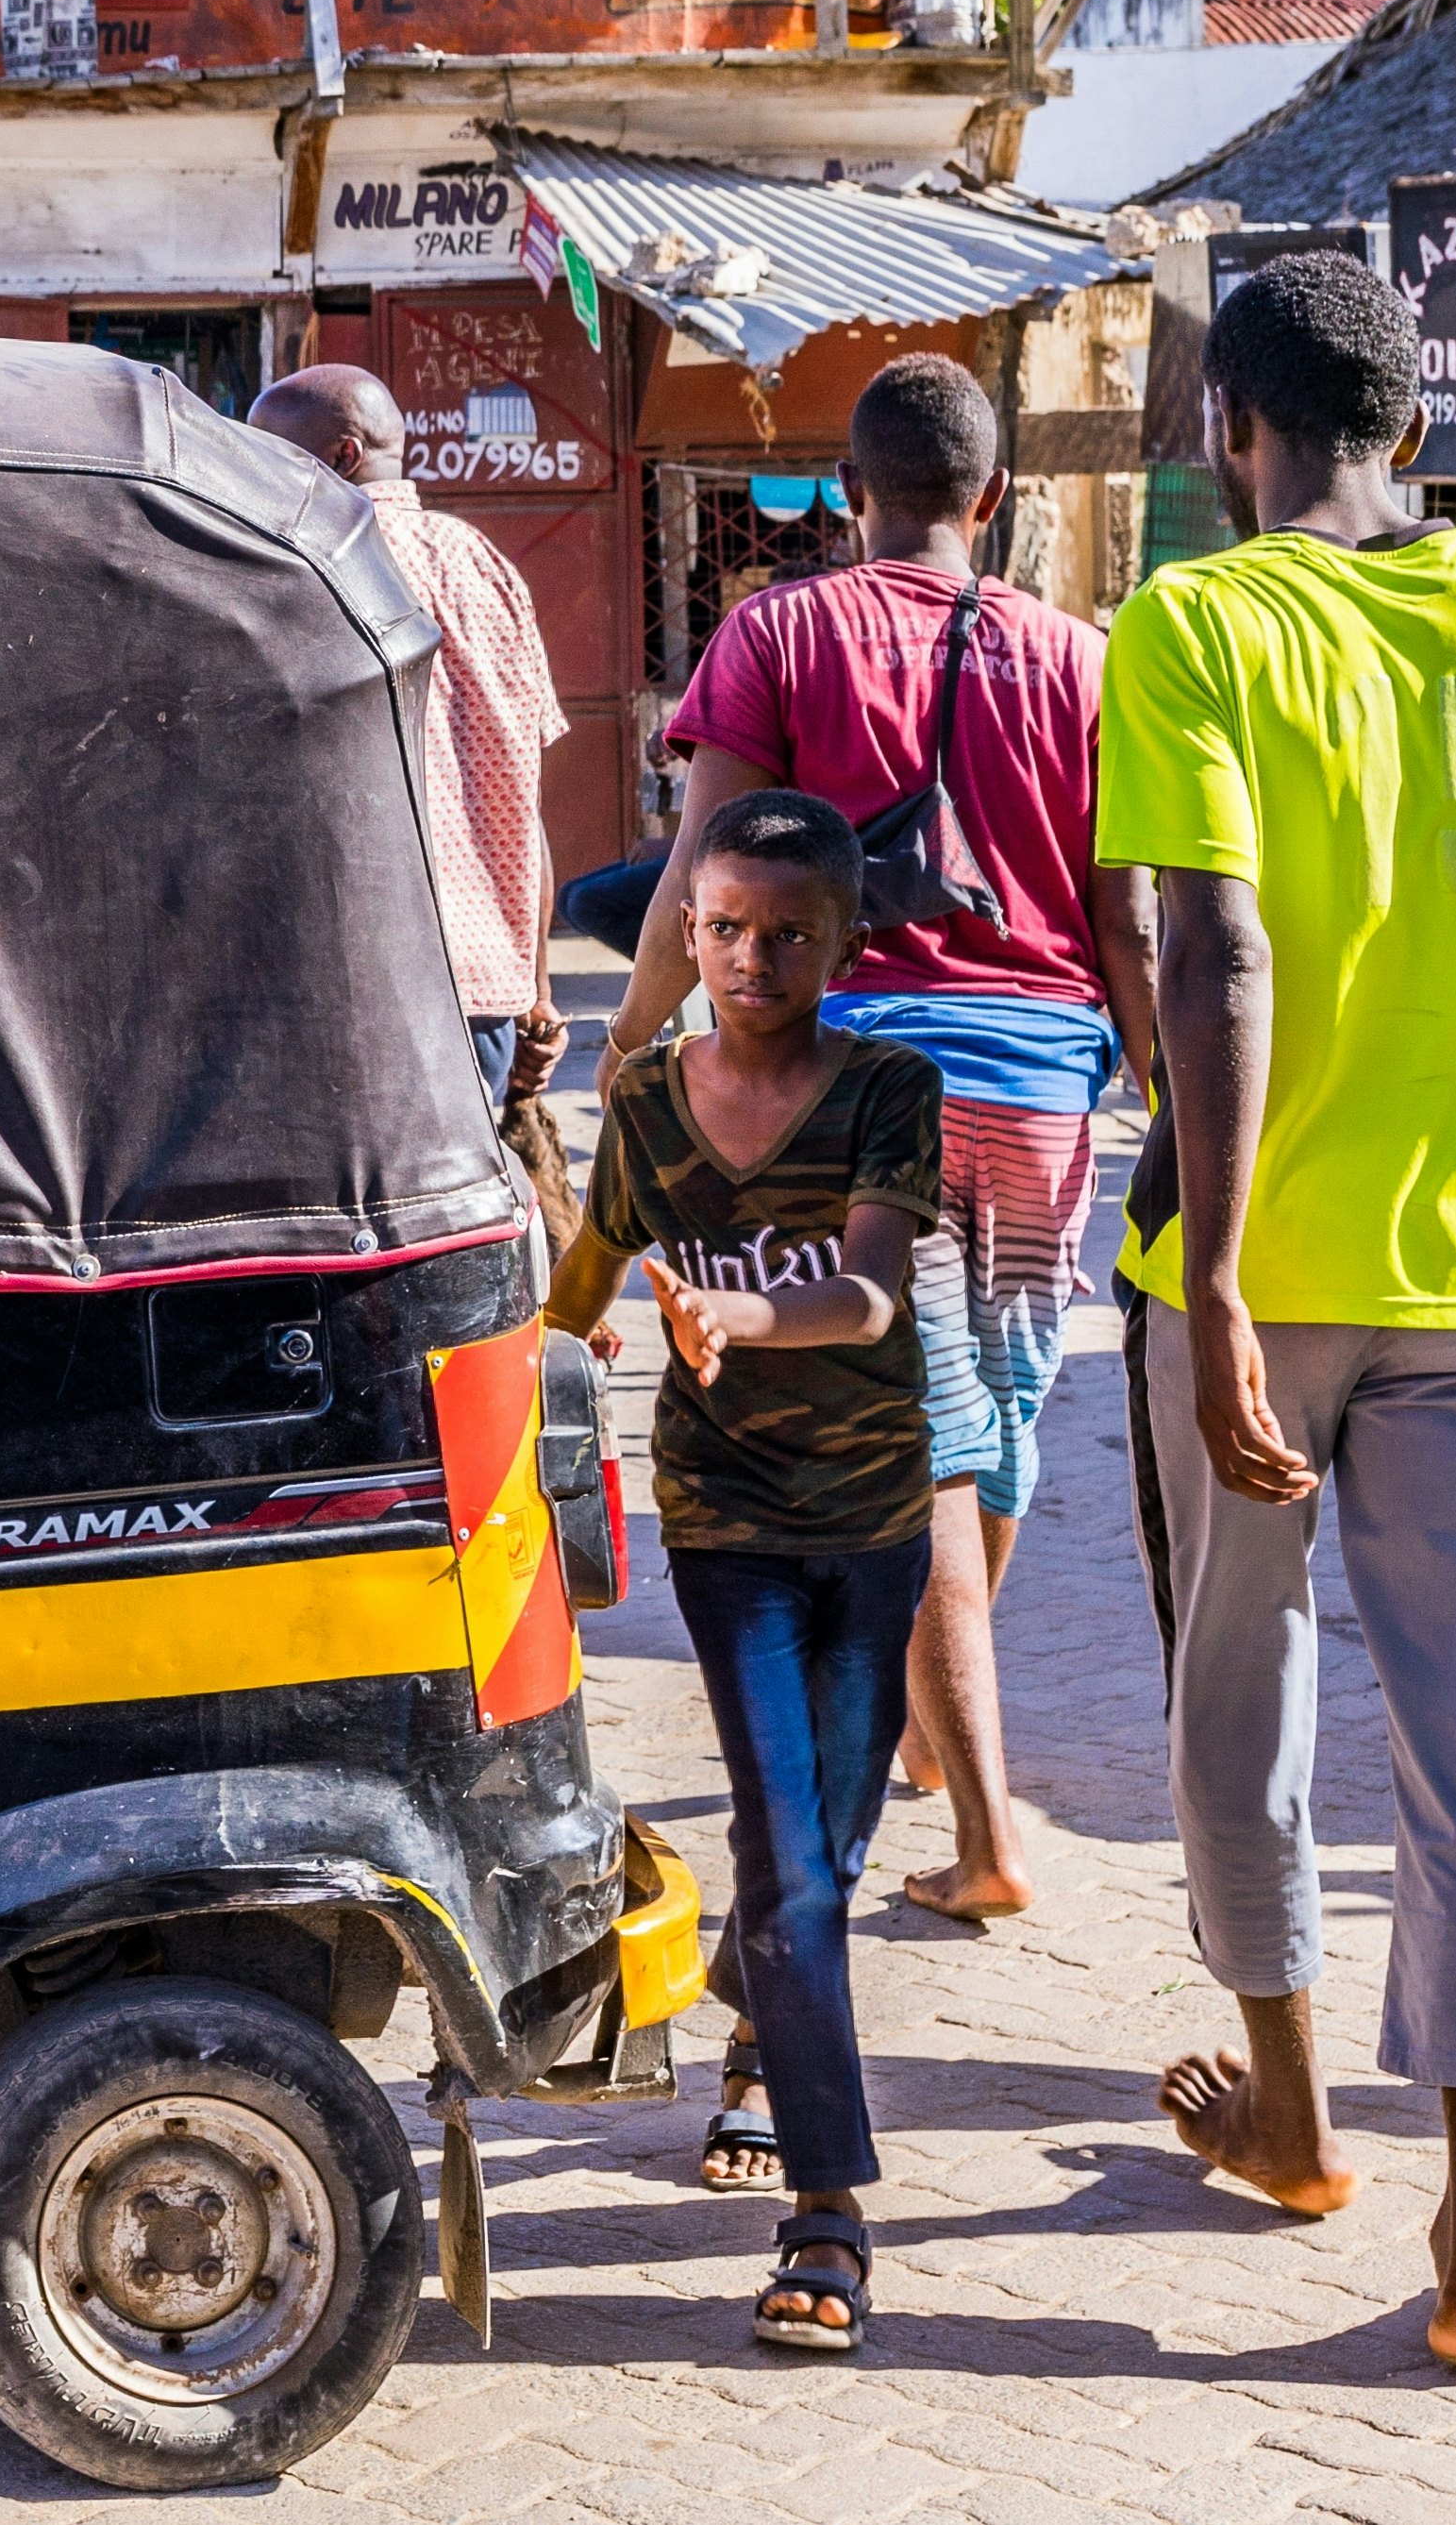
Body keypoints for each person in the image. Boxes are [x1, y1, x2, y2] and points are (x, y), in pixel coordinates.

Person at [1108, 250, 1456, 2374]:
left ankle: (1298, 2118)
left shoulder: (1195, 623)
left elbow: (1211, 955)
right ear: (1407, 425)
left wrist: (1218, 1270)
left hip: (1251, 1286)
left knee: (1240, 1699)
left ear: (1231, 432)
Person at [617, 351, 1155, 1925]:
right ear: (992, 497)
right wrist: (1146, 1092)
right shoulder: (1080, 658)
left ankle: (984, 1831)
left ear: (847, 496)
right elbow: (1125, 913)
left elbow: (701, 881)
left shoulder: (776, 631)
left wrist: (639, 1034)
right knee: (988, 1402)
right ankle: (932, 1735)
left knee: (910, 1444)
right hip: (1041, 1092)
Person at [549, 787, 938, 2354]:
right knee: (790, 1861)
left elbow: (865, 1294)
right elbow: (589, 1258)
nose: (749, 957)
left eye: (785, 933)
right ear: (688, 930)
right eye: (721, 928)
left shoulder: (887, 1088)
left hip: (872, 1522)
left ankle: (759, 2016)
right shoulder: (640, 1096)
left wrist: (734, 1320)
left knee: (818, 1867)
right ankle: (827, 2215)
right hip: (725, 1531)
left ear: (840, 940)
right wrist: (529, 1348)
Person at [253, 365, 563, 1090]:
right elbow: (519, 803)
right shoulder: (483, 564)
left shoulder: (294, 560)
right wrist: (536, 994)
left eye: (267, 450)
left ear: (340, 457)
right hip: (482, 986)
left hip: (343, 986)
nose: (252, 470)